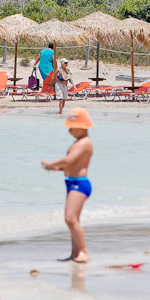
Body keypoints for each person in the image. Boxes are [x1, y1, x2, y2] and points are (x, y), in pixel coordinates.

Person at [41, 108, 94, 263]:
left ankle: (83, 251)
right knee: (73, 220)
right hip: (71, 182)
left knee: (70, 219)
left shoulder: (85, 143)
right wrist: (56, 169)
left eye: (72, 127)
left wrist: (51, 164)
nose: (69, 131)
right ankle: (75, 253)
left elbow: (69, 160)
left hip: (80, 184)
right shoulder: (78, 143)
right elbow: (70, 166)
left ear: (82, 126)